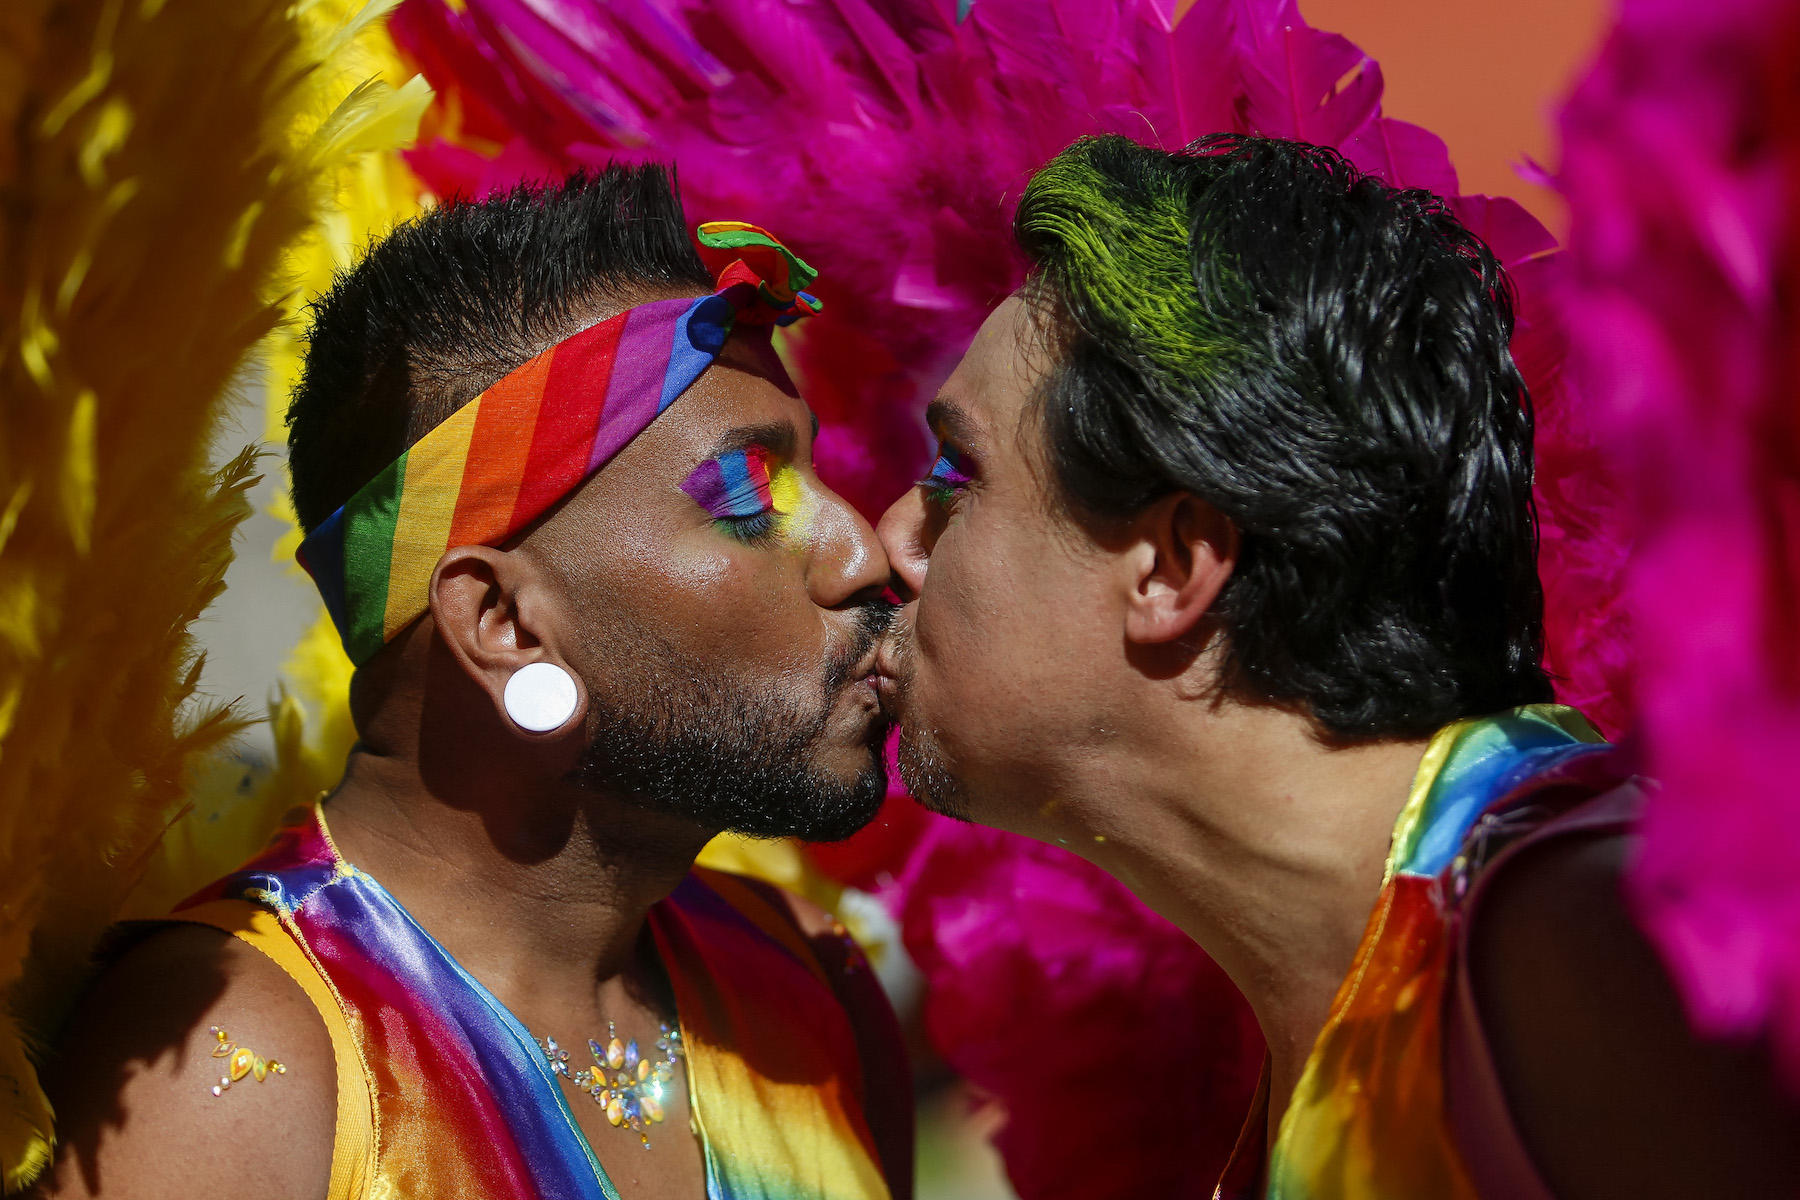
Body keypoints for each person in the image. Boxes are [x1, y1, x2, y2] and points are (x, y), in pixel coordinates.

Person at [873, 133, 1800, 1199]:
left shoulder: (1601, 949)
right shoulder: (1376, 1021)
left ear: (1172, 564)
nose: (891, 537)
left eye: (957, 471)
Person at [36, 166, 911, 1200]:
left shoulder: (811, 985)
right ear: (503, 625)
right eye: (748, 496)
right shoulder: (240, 1068)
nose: (864, 552)